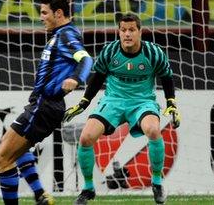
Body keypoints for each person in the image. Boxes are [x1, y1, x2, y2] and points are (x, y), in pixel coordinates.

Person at [63, 13, 181, 205]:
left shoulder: (153, 52)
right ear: (119, 32)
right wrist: (83, 102)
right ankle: (88, 188)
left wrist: (171, 103)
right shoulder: (110, 51)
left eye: (131, 30)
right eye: (123, 30)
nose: (127, 34)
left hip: (142, 101)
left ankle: (157, 182)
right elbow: (98, 78)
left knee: (153, 130)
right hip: (113, 100)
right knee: (85, 137)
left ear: (140, 32)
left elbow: (167, 77)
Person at [0, 0, 94, 205]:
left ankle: (38, 195)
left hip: (45, 105)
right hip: (43, 105)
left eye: (44, 12)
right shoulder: (60, 34)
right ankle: (40, 195)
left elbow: (86, 59)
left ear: (58, 13)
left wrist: (76, 79)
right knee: (13, 149)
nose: (41, 17)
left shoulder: (66, 35)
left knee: (3, 159)